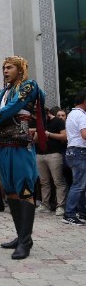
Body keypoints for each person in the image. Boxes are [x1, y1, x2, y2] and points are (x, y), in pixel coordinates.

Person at [0, 55, 46, 260]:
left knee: (25, 190)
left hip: (20, 147)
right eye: (3, 67)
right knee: (11, 191)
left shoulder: (28, 87)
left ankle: (26, 242)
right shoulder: (3, 92)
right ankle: (20, 235)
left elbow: (10, 109)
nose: (5, 70)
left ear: (20, 69)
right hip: (3, 147)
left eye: (10, 67)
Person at [62, 88, 86, 226]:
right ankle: (69, 214)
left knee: (81, 184)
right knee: (79, 185)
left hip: (72, 151)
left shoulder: (71, 114)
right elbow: (84, 135)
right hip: (80, 151)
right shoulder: (82, 116)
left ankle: (82, 212)